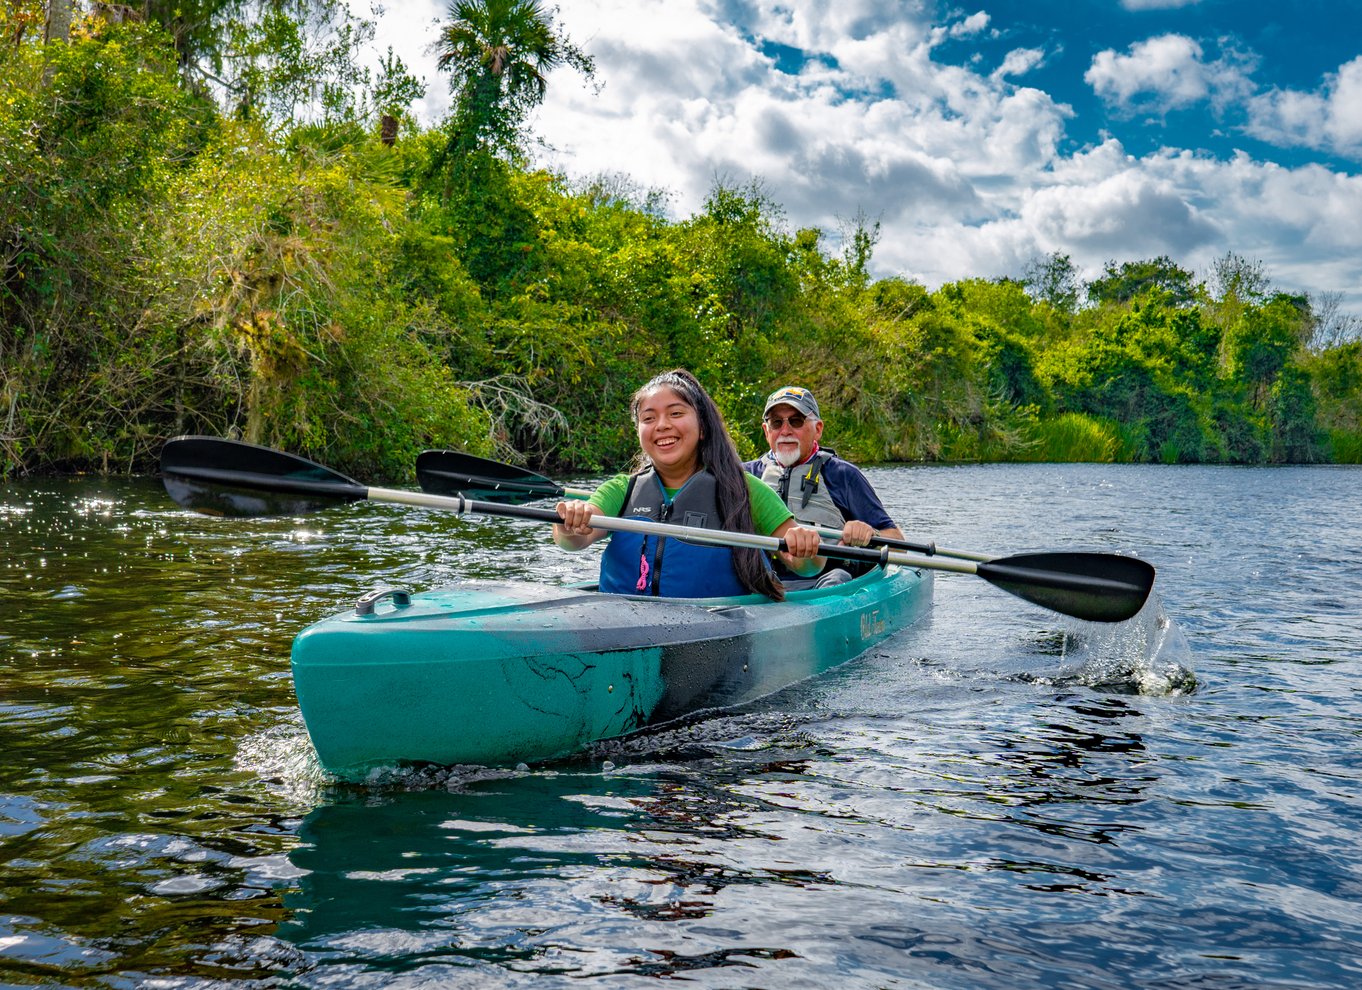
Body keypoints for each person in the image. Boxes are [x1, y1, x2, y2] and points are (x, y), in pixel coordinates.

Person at [553, 369, 823, 600]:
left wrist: (805, 546)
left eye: (675, 413)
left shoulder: (745, 491)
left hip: (719, 630)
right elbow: (574, 541)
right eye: (648, 418)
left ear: (702, 427)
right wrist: (568, 523)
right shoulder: (621, 490)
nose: (661, 425)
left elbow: (807, 567)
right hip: (624, 623)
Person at [744, 385, 905, 588]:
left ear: (818, 429)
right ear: (767, 431)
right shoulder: (744, 476)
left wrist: (872, 534)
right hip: (762, 584)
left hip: (825, 585)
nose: (785, 431)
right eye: (776, 423)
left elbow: (898, 544)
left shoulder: (843, 475)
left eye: (796, 421)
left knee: (838, 578)